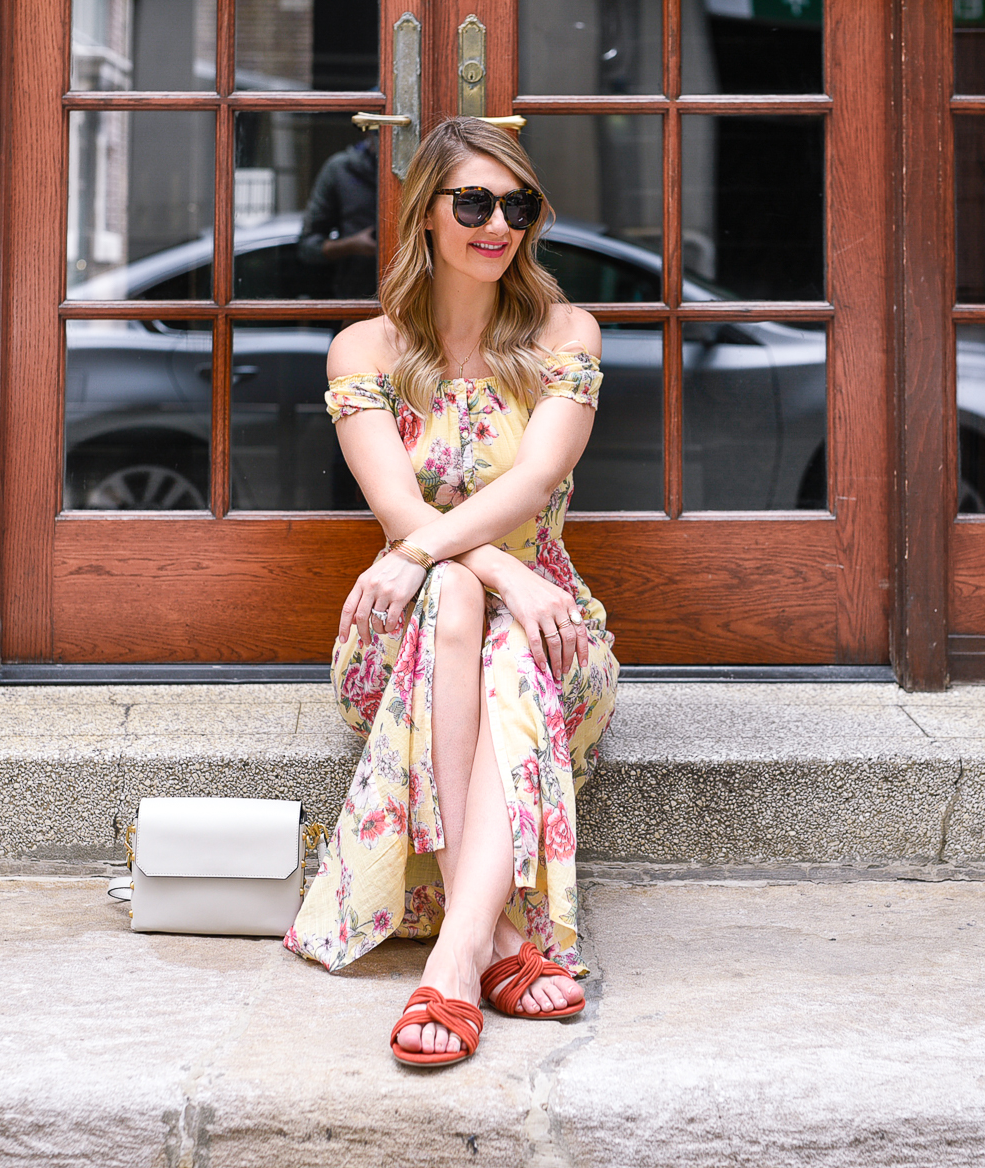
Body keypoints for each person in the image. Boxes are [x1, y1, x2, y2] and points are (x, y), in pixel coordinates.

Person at [284, 117, 619, 1068]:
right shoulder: (367, 350)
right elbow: (398, 508)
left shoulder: (565, 333)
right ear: (424, 216)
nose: (498, 224)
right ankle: (497, 945)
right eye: (473, 202)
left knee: (504, 643)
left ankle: (455, 961)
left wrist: (484, 566)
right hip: (406, 641)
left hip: (553, 634)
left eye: (518, 206)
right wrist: (499, 565)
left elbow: (532, 480)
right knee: (459, 602)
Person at [297, 133, 378, 300]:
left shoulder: (423, 166)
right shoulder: (340, 169)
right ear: (369, 132)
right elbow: (307, 247)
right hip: (355, 300)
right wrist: (352, 245)